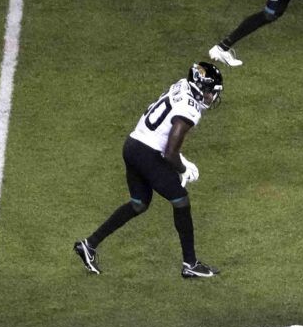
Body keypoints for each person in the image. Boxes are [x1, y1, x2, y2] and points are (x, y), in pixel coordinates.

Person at [74, 62, 222, 279]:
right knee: (180, 200)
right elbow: (170, 153)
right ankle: (190, 263)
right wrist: (182, 168)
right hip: (146, 153)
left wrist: (178, 159)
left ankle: (89, 244)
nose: (211, 97)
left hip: (132, 144)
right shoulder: (189, 110)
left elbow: (165, 136)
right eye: (210, 92)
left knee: (139, 203)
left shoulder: (182, 85)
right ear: (199, 88)